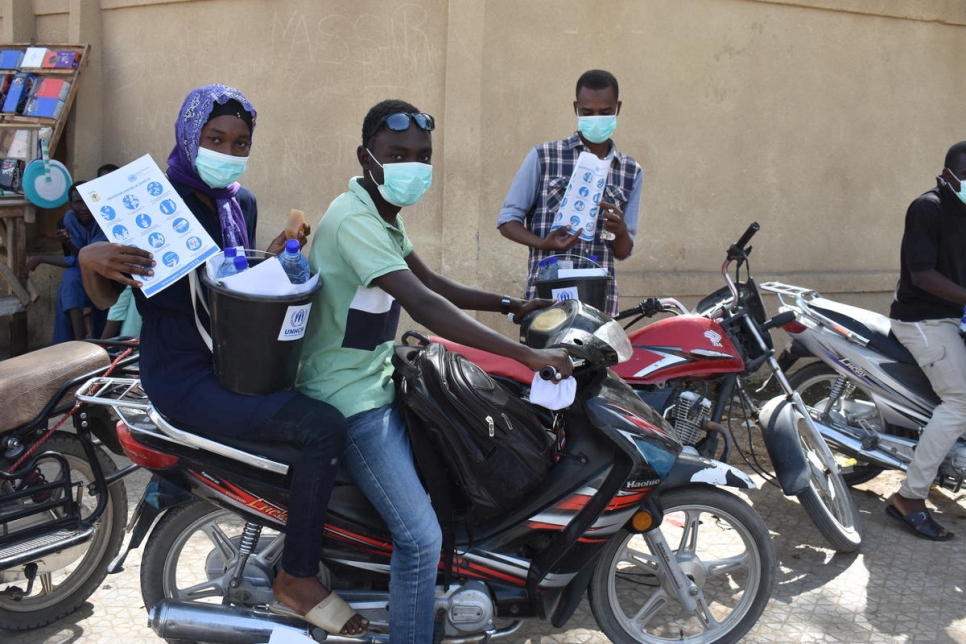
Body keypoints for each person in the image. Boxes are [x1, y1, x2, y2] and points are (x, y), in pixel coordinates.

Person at [78, 85, 368, 636]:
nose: (227, 151)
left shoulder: (241, 202)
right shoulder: (146, 201)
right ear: (190, 137)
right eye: (215, 139)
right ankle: (297, 577)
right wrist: (89, 259)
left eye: (240, 142)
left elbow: (230, 285)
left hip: (235, 363)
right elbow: (101, 299)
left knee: (332, 407)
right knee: (322, 430)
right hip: (184, 376)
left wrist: (282, 249)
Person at [297, 99, 573, 643]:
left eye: (422, 156)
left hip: (373, 380)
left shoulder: (378, 215)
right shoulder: (354, 220)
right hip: (347, 399)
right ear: (366, 157)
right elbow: (423, 305)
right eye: (397, 154)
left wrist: (507, 304)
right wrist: (527, 356)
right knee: (421, 539)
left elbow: (432, 283)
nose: (413, 166)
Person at [497, 69, 643, 316]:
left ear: (618, 108)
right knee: (544, 356)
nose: (596, 118)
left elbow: (623, 251)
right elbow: (507, 221)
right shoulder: (544, 156)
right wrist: (542, 243)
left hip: (600, 304)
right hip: (547, 300)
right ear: (576, 108)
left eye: (605, 112)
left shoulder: (630, 170)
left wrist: (619, 232)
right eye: (587, 112)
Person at [886, 140, 966, 542]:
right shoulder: (928, 208)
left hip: (954, 317)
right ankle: (910, 497)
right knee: (961, 400)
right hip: (924, 319)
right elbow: (923, 274)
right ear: (951, 174)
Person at [21, 181, 108, 343]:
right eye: (78, 202)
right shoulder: (69, 220)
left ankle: (77, 343)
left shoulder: (105, 218)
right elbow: (76, 260)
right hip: (84, 277)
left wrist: (67, 244)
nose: (84, 207)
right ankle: (78, 343)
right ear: (71, 205)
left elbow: (90, 257)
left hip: (107, 276)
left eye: (88, 201)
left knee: (69, 284)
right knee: (70, 280)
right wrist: (40, 258)